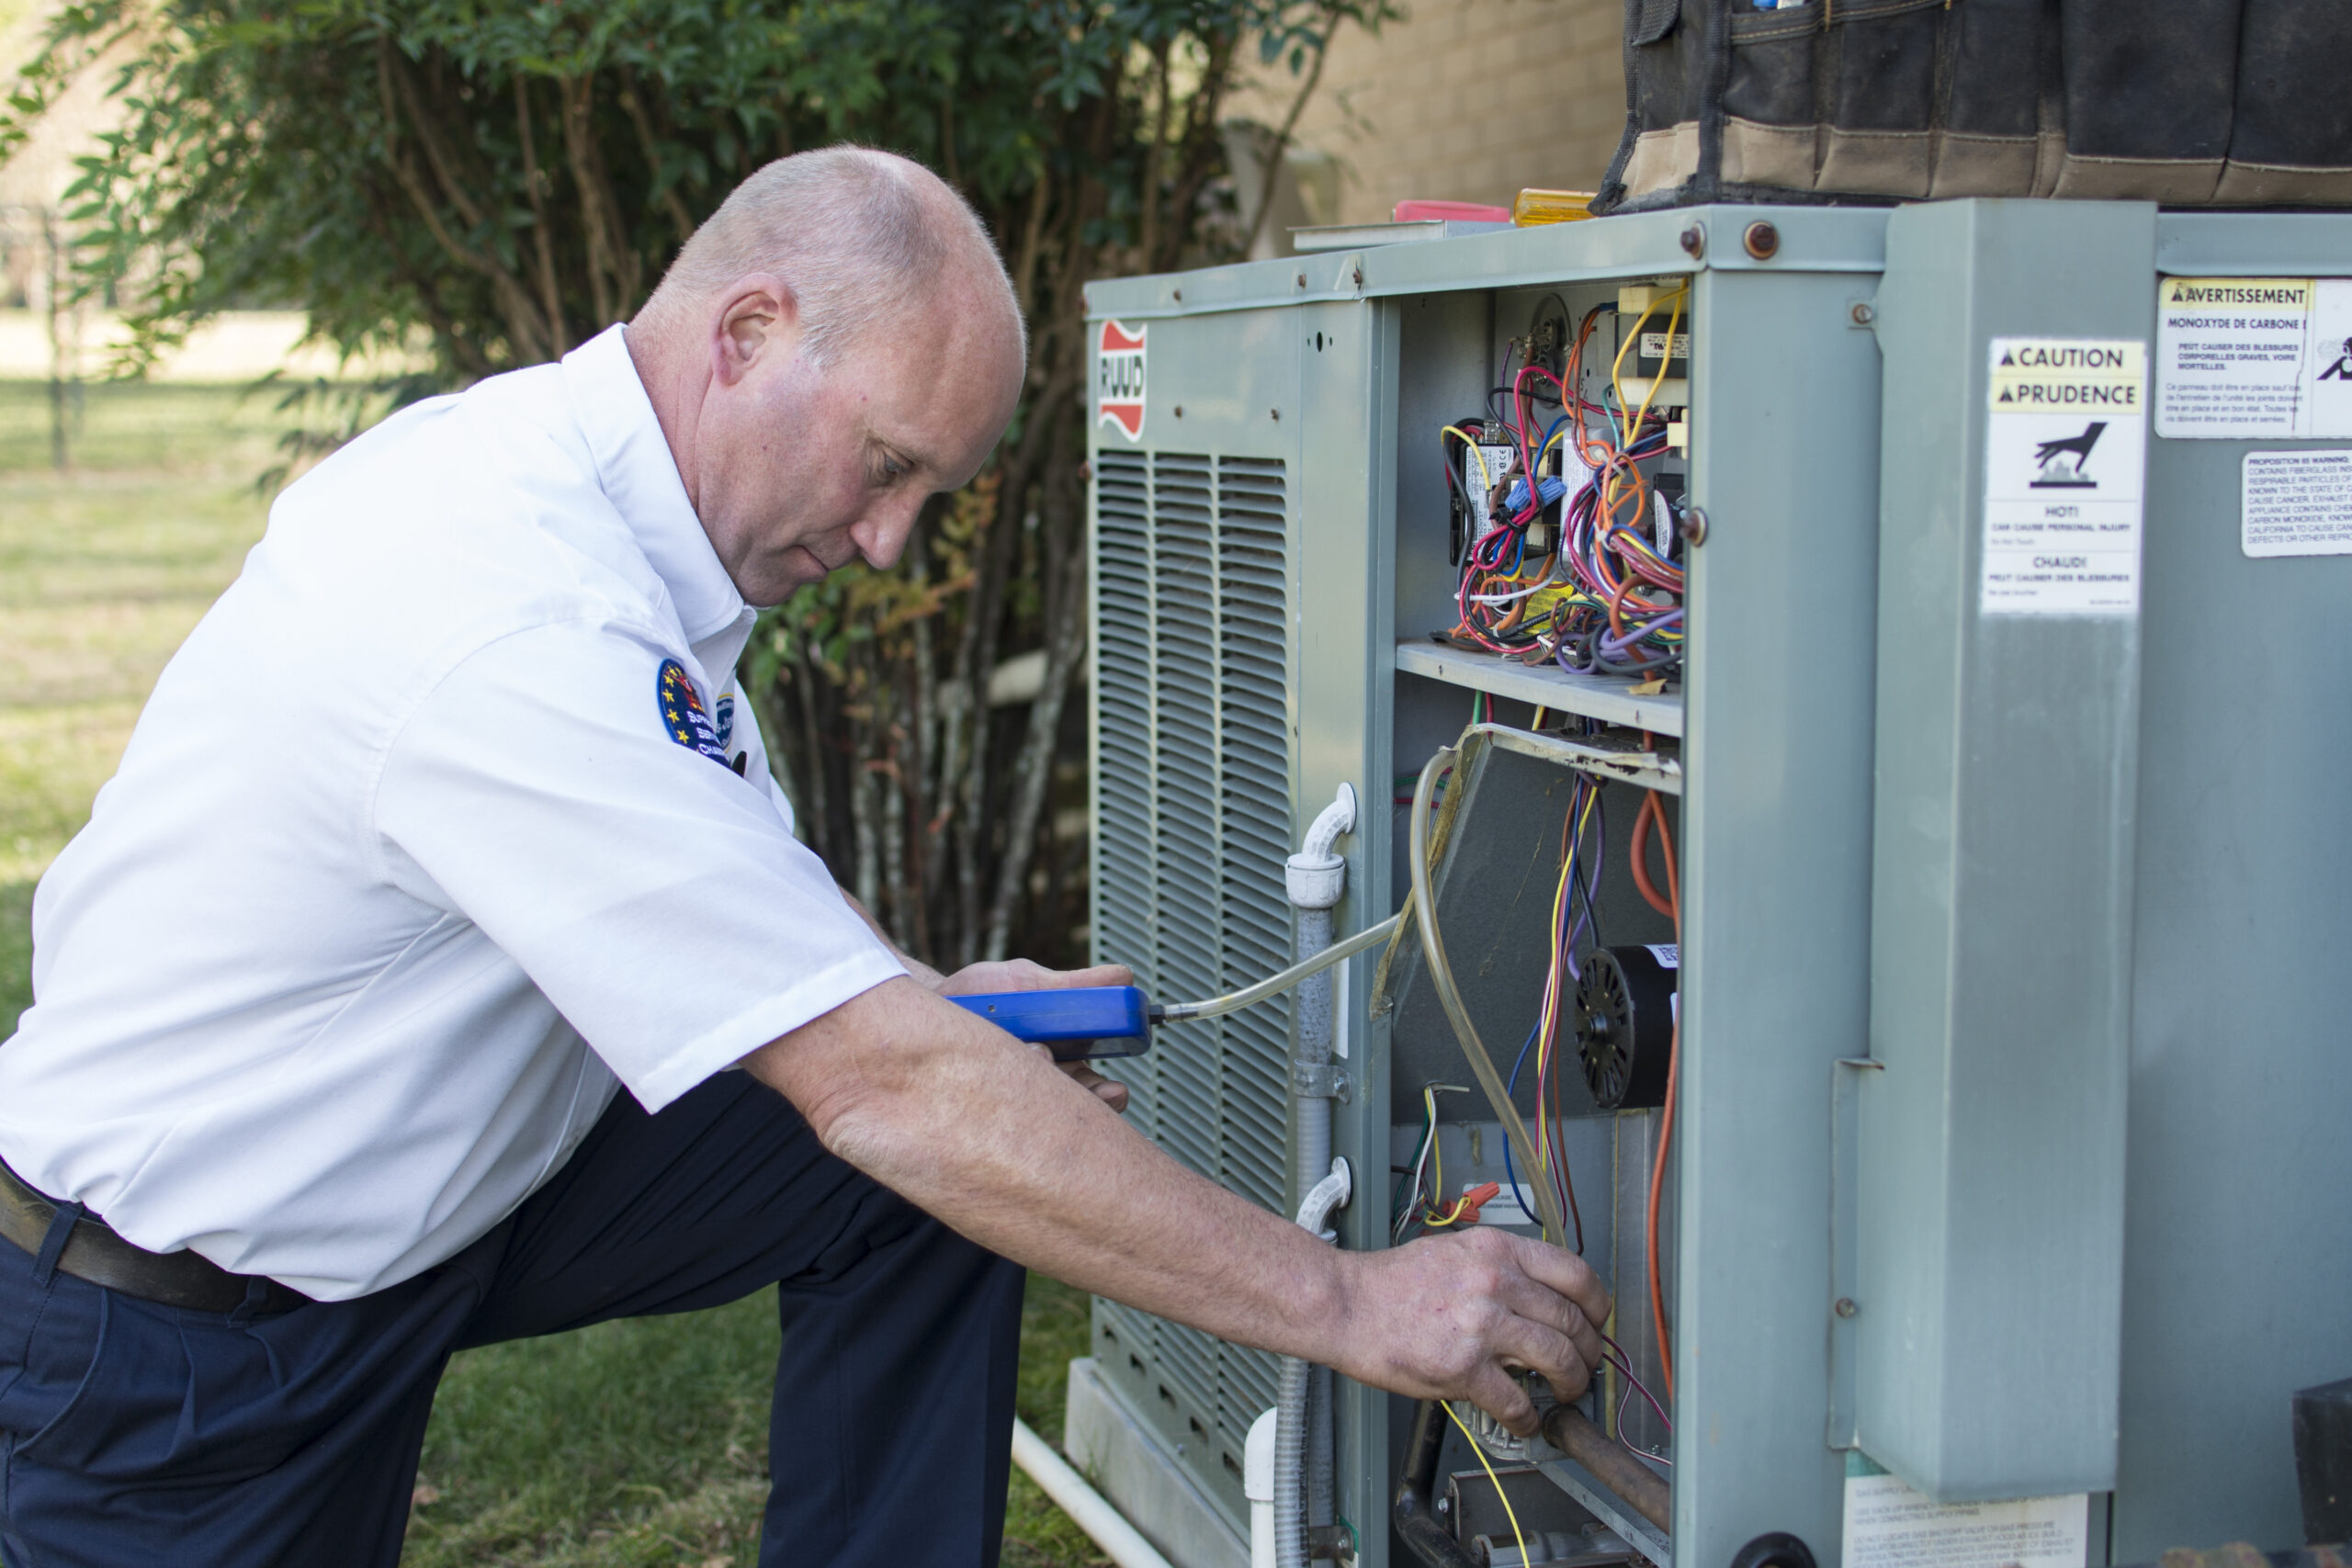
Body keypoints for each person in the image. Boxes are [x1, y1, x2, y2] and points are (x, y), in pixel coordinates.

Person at [0, 146, 1608, 1567]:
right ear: (748, 333)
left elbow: (746, 885)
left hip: (405, 1211)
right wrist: (1354, 1306)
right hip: (166, 1342)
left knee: (943, 1142)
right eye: (891, 466)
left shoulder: (617, 511)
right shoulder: (506, 607)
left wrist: (924, 1000)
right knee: (926, 1112)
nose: (889, 538)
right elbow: (880, 1087)